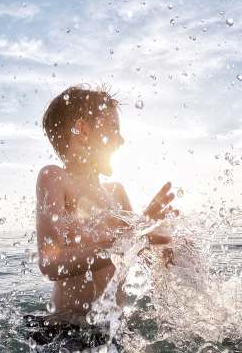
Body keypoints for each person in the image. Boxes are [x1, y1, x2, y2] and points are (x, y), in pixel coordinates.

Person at [35, 85, 177, 326]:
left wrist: (159, 236)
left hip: (113, 328)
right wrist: (127, 241)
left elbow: (143, 255)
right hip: (66, 330)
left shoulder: (116, 192)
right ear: (82, 130)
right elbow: (51, 264)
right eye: (113, 128)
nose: (121, 139)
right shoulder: (56, 178)